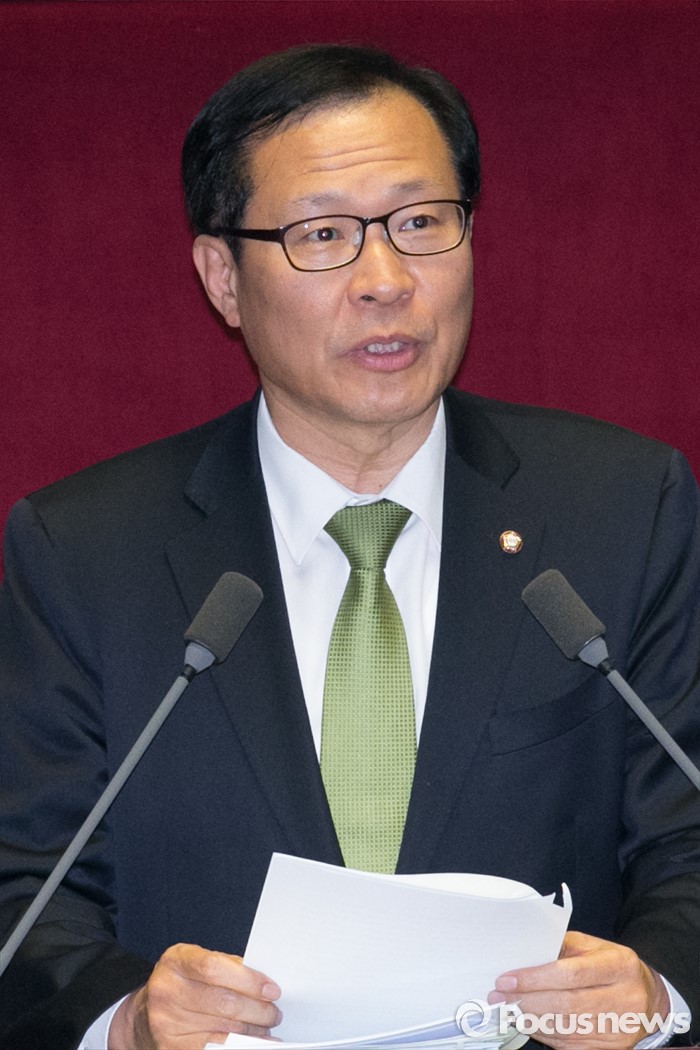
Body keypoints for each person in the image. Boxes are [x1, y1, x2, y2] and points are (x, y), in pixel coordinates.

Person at [0, 43, 699, 1050]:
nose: (386, 280)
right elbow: (29, 889)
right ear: (223, 279)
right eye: (322, 235)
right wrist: (130, 1020)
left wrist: (658, 993)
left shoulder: (623, 509)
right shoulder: (83, 551)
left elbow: (689, 838)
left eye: (421, 223)